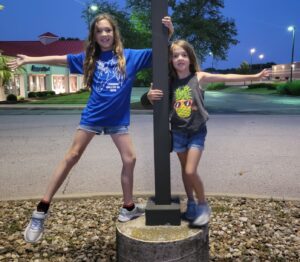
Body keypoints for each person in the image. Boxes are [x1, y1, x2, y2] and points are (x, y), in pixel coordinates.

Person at [8, 13, 174, 243]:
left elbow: (162, 54)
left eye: (108, 30)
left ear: (114, 33)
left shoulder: (131, 56)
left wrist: (169, 34)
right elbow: (60, 59)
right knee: (72, 156)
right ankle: (40, 211)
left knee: (130, 159)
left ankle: (128, 208)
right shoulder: (89, 58)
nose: (104, 34)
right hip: (93, 116)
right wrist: (28, 59)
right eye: (99, 31)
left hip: (118, 120)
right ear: (94, 36)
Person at [147, 39, 269, 227]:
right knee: (185, 172)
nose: (180, 58)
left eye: (183, 55)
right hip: (178, 132)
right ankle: (192, 204)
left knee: (190, 170)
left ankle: (203, 205)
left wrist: (256, 76)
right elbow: (152, 95)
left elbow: (226, 77)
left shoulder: (199, 77)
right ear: (170, 60)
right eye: (175, 55)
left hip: (196, 132)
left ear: (190, 58)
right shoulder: (169, 81)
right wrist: (149, 95)